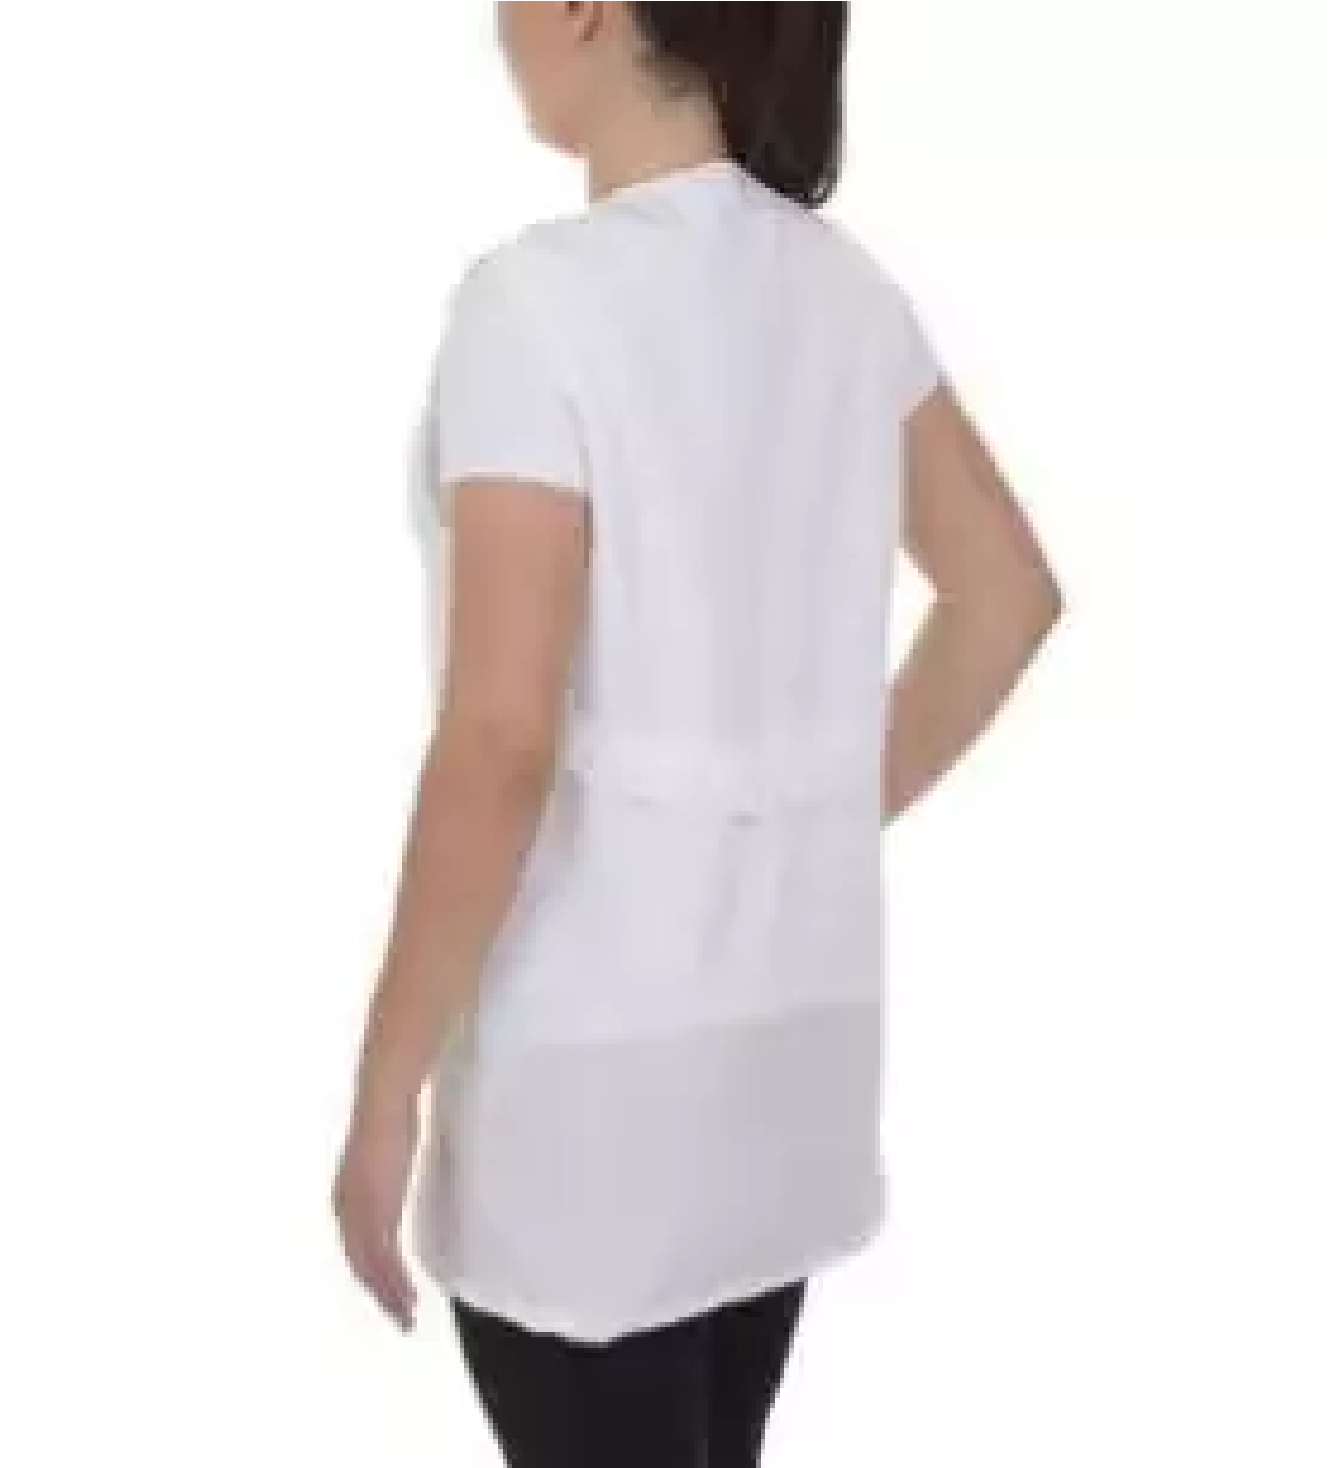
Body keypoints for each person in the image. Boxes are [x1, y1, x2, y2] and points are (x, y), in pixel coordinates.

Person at [333, 4, 1063, 1465]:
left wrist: (384, 1089)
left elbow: (499, 738)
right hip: (783, 1073)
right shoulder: (846, 297)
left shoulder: (534, 307)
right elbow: (1006, 598)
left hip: (593, 1107)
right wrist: (810, 808)